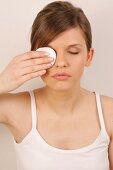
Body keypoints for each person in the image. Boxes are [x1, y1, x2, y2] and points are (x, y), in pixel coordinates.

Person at [0, 1, 113, 170]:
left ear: (89, 56)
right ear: (34, 54)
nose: (61, 63)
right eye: (49, 52)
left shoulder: (109, 113)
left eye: (73, 51)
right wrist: (2, 81)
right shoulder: (16, 109)